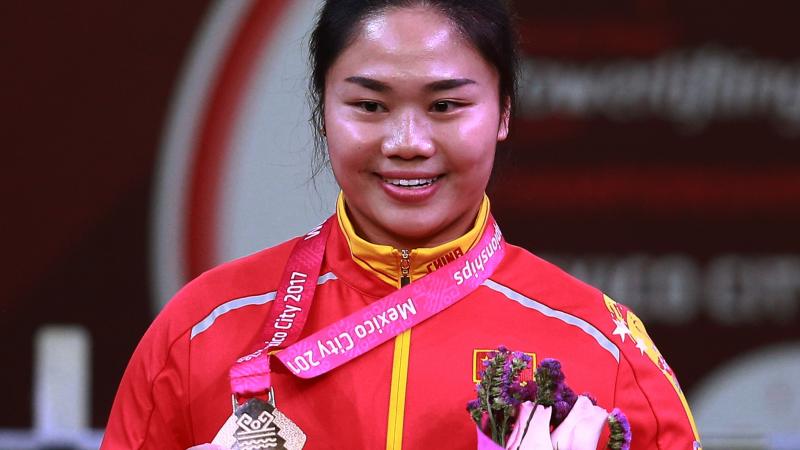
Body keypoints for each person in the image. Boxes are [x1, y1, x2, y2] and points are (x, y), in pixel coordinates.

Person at [102, 1, 702, 449]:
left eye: (445, 106)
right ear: (322, 109)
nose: (408, 143)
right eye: (370, 105)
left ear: (504, 113)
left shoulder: (603, 350)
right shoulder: (205, 328)